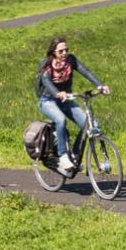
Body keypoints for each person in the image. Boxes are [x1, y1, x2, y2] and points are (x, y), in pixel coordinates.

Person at [35, 36, 108, 173]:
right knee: (60, 120)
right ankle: (63, 156)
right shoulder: (47, 64)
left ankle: (74, 155)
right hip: (47, 100)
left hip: (66, 99)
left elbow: (86, 72)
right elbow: (46, 81)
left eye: (66, 50)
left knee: (88, 123)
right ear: (53, 52)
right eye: (61, 51)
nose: (64, 53)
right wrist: (57, 93)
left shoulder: (71, 60)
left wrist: (100, 85)